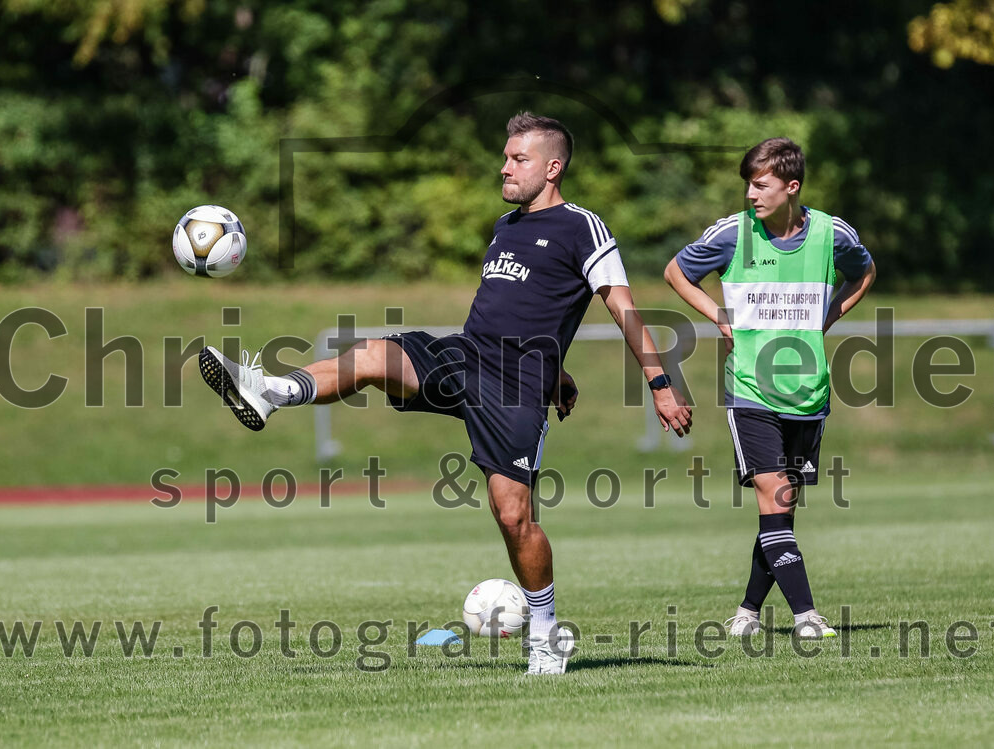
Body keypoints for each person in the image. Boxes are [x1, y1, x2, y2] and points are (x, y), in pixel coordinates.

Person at [199, 112, 693, 674]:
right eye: (505, 157)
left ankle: (545, 634)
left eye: (519, 159)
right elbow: (524, 308)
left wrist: (659, 385)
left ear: (553, 167)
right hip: (466, 356)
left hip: (515, 388)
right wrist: (559, 367)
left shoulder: (583, 227)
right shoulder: (505, 226)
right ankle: (269, 390)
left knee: (513, 516)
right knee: (373, 356)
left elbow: (622, 309)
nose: (505, 167)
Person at [665, 137, 875, 638]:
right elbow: (676, 272)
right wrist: (719, 316)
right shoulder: (733, 234)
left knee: (780, 511)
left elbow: (864, 272)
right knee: (775, 498)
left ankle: (747, 613)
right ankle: (807, 617)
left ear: (792, 186)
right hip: (750, 392)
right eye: (748, 185)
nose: (750, 195)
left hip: (809, 394)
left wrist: (830, 314)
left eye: (761, 186)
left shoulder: (831, 233)